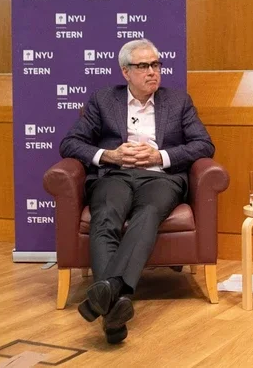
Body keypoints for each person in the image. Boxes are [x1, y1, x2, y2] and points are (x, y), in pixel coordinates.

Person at [60, 39, 215, 344]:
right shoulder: (104, 100)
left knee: (149, 213)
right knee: (106, 215)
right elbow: (70, 143)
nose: (152, 72)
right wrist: (110, 155)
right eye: (143, 66)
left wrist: (161, 156)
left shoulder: (178, 101)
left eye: (156, 64)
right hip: (115, 175)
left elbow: (204, 144)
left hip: (160, 178)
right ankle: (115, 305)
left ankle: (106, 295)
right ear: (125, 72)